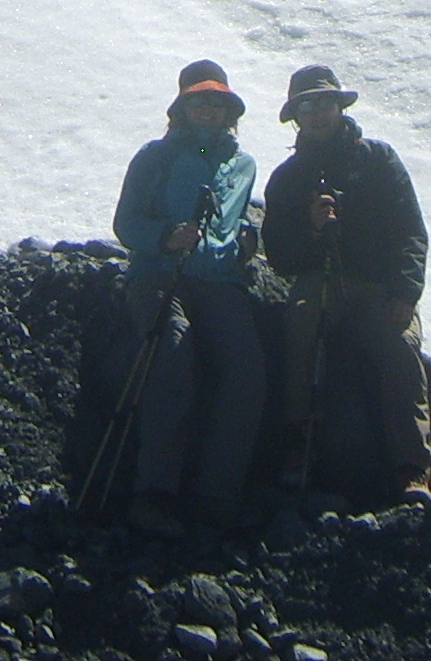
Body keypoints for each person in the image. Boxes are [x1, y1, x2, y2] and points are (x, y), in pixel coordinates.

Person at [107, 58, 266, 532]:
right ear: (182, 107)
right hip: (160, 274)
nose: (209, 108)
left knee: (247, 372)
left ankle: (217, 496)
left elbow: (237, 216)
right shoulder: (154, 157)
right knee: (170, 358)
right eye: (200, 100)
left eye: (217, 101)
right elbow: (125, 224)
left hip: (221, 281)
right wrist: (164, 238)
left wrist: (248, 238)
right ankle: (153, 494)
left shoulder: (243, 164)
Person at [261, 63, 431, 501]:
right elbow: (280, 256)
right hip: (318, 282)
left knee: (399, 348)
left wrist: (406, 292)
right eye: (307, 105)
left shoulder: (378, 159)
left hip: (379, 286)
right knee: (301, 326)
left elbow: (410, 230)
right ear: (296, 116)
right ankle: (299, 445)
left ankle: (413, 469)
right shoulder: (286, 178)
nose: (318, 113)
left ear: (340, 107)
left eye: (325, 103)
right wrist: (313, 230)